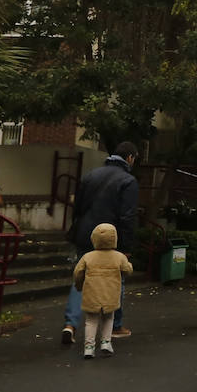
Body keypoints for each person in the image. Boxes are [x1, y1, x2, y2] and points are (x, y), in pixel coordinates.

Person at [64, 142, 140, 345]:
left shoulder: (91, 175)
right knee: (116, 280)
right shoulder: (128, 181)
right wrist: (126, 247)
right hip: (109, 238)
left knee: (81, 276)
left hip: (85, 234)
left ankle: (70, 325)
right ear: (130, 158)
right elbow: (127, 216)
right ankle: (115, 326)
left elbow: (78, 206)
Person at [71, 223, 133, 358]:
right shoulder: (119, 256)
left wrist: (79, 285)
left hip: (91, 293)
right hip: (110, 293)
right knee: (108, 318)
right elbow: (128, 270)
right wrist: (129, 265)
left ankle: (89, 347)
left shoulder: (88, 256)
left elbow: (78, 273)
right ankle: (105, 342)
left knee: (91, 320)